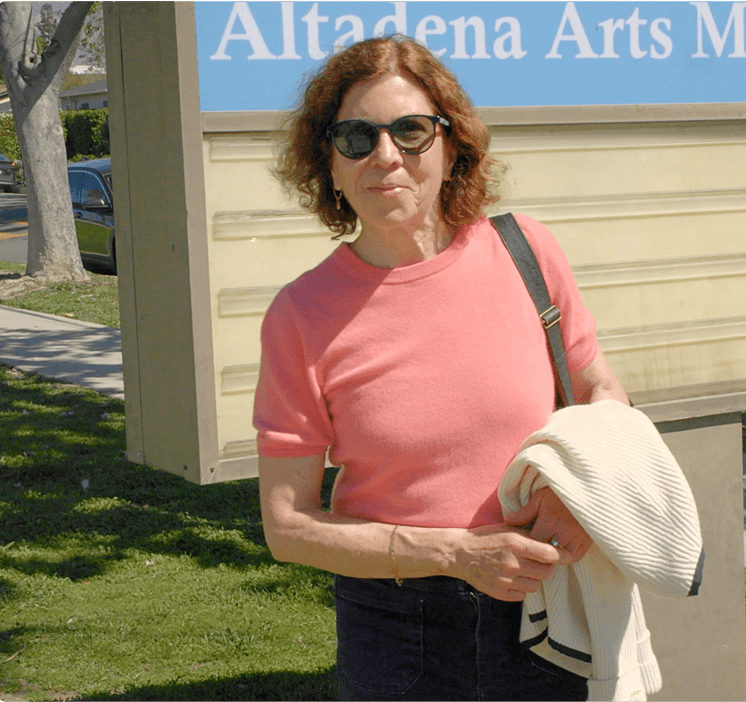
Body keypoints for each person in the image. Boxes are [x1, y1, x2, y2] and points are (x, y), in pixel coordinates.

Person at [254, 35, 631, 701]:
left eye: (411, 130)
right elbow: (287, 528)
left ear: (452, 145)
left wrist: (583, 499)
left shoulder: (527, 252)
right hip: (399, 630)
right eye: (355, 138)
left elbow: (598, 387)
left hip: (543, 606)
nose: (385, 156)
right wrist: (456, 553)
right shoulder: (301, 314)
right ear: (330, 166)